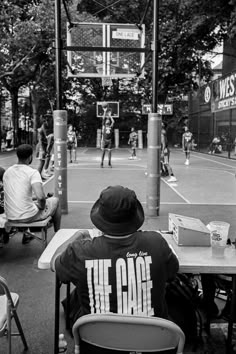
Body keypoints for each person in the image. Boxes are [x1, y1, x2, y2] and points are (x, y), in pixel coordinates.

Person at [51, 185, 179, 330]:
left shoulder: (79, 251)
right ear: (134, 216)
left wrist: (78, 235)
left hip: (96, 341)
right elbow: (172, 272)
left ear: (101, 217)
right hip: (154, 340)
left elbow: (54, 263)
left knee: (77, 298)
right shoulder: (157, 242)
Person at [3, 144, 61, 241]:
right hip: (27, 216)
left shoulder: (7, 172)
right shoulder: (32, 172)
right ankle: (58, 235)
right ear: (30, 157)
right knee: (55, 200)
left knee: (29, 203)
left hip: (10, 215)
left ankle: (27, 234)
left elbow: (19, 194)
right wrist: (42, 206)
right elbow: (41, 198)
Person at [36, 113, 54, 180]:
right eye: (50, 120)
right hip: (41, 147)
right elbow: (41, 140)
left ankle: (39, 176)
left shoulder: (48, 126)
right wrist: (43, 150)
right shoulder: (43, 127)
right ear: (47, 120)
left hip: (44, 146)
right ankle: (37, 177)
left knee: (43, 162)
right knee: (41, 162)